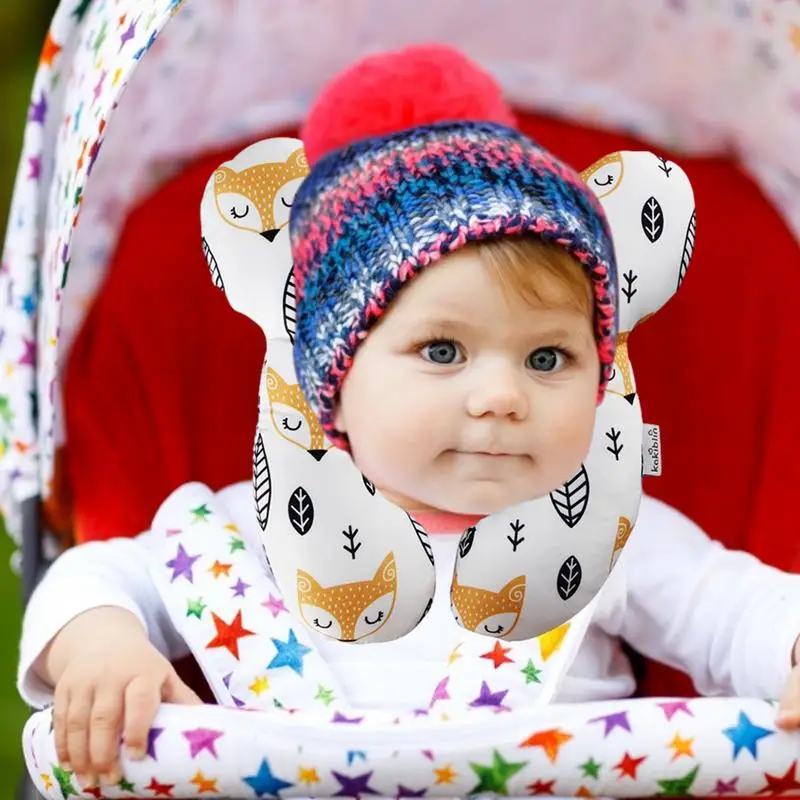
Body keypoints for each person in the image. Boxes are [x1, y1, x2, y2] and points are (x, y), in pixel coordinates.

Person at [17, 45, 800, 792]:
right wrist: (99, 642)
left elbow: (736, 610)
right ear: (334, 379)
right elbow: (94, 574)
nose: (503, 396)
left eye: (548, 359)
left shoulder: (608, 535)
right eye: (442, 350)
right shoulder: (249, 534)